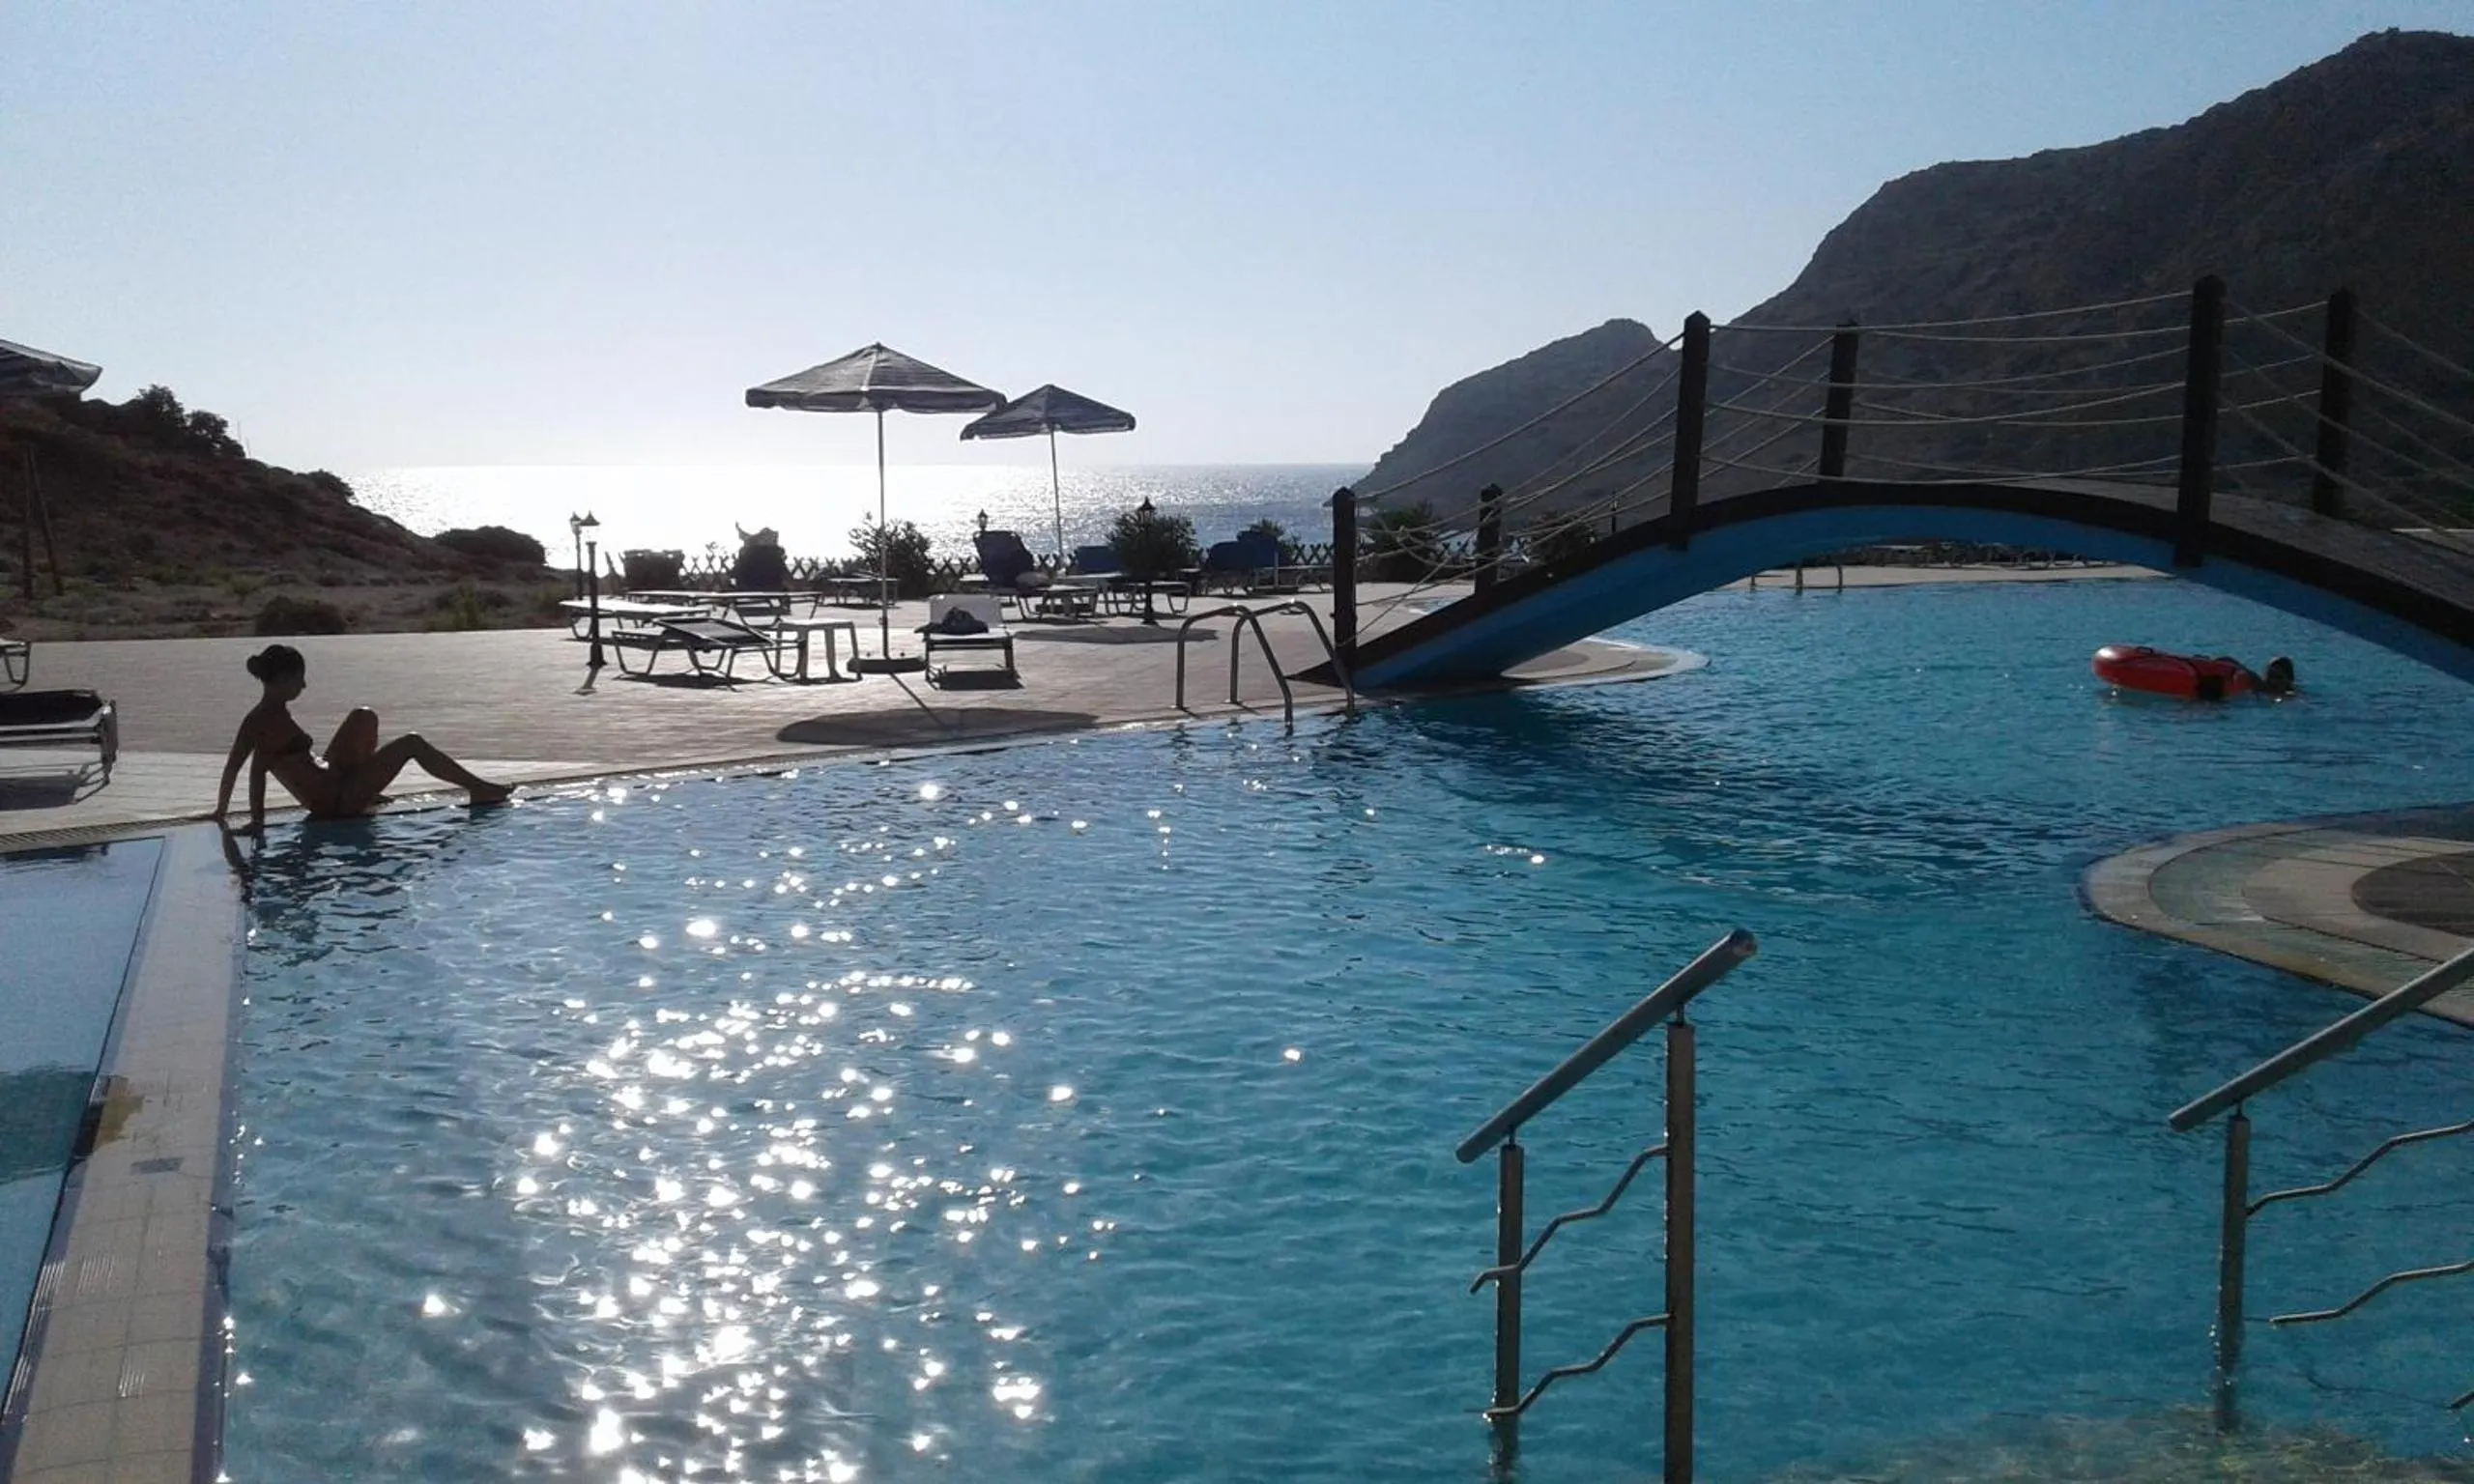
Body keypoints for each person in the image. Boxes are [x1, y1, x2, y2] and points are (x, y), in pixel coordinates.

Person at [212, 643, 510, 832]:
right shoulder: (264, 722)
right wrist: (257, 822)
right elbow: (251, 771)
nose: (304, 685)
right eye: (298, 678)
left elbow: (235, 768)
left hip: (334, 778)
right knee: (412, 743)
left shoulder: (266, 713)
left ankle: (368, 787)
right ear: (282, 679)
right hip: (335, 800)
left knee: (363, 715)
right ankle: (478, 788)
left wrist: (221, 810)